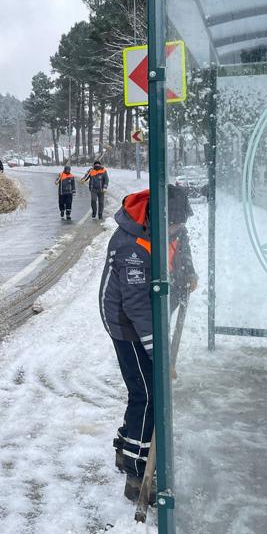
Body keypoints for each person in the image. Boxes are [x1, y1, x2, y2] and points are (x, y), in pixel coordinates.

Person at [98, 185, 193, 503]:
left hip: (145, 313)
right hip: (125, 323)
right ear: (157, 216)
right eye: (174, 223)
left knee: (146, 390)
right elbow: (136, 307)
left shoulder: (168, 226)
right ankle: (137, 474)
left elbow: (180, 244)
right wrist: (159, 353)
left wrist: (188, 273)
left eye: (179, 223)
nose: (177, 229)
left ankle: (125, 449)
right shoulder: (130, 245)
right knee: (147, 393)